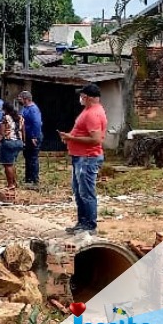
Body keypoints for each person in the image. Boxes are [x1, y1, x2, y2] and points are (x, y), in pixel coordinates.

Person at [59, 83, 108, 236]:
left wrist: (71, 138)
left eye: (82, 96)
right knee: (79, 192)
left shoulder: (92, 114)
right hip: (81, 157)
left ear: (87, 97)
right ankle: (82, 223)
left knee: (86, 192)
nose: (80, 98)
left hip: (87, 158)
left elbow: (96, 139)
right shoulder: (89, 110)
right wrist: (70, 137)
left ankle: (89, 225)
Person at [0, 103, 25, 191]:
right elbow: (23, 131)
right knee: (12, 163)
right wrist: (24, 142)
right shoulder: (20, 118)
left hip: (8, 142)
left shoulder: (5, 118)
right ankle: (14, 182)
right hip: (19, 142)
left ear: (5, 109)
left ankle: (10, 184)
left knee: (7, 165)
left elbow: (1, 133)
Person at [18, 91, 43, 187]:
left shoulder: (33, 109)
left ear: (26, 99)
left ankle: (34, 180)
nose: (19, 100)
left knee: (33, 158)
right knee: (27, 157)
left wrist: (34, 136)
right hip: (27, 137)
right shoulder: (25, 108)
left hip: (33, 136)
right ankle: (28, 178)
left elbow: (37, 123)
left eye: (20, 98)